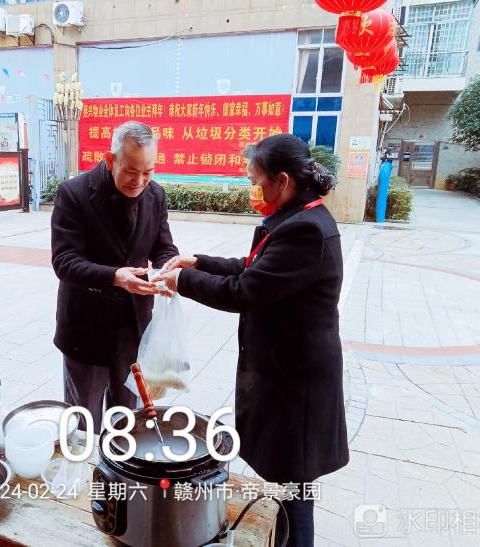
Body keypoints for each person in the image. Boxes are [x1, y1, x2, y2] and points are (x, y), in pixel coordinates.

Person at [155, 134, 349, 547]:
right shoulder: (295, 218)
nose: (252, 188)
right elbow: (253, 266)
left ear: (282, 180)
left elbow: (245, 291)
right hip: (288, 367)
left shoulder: (306, 230)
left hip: (298, 380)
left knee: (295, 485)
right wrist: (199, 262)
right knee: (290, 477)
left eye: (255, 179)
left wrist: (183, 280)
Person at [51, 121, 178, 433]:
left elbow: (164, 246)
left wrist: (167, 270)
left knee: (127, 419)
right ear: (110, 160)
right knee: (83, 421)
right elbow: (64, 262)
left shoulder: (155, 195)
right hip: (86, 328)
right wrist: (115, 276)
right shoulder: (74, 194)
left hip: (133, 328)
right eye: (131, 171)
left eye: (148, 171)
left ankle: (119, 462)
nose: (140, 181)